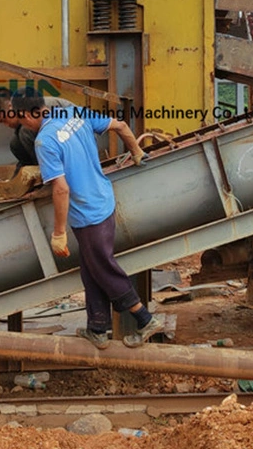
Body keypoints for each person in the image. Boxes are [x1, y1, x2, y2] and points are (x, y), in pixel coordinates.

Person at [11, 91, 163, 348]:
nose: (21, 125)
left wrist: (58, 233)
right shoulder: (73, 112)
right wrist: (137, 152)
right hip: (103, 201)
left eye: (19, 119)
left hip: (88, 215)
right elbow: (122, 126)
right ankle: (97, 327)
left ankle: (145, 319)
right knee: (91, 269)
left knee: (103, 268)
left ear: (27, 115)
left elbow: (60, 189)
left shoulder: (45, 142)